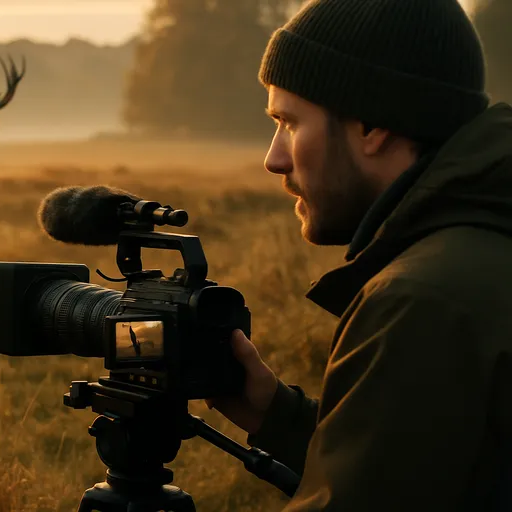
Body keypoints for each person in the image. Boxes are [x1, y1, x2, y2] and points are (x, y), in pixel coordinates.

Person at [206, 0, 512, 510]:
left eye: (289, 122)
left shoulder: (422, 300)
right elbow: (434, 472)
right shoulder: (481, 249)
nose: (273, 157)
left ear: (372, 126)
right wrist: (275, 415)